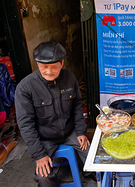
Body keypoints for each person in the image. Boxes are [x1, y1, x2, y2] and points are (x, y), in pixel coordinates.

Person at [15, 42, 96, 186]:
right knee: (44, 178)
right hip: (45, 139)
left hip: (70, 132)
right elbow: (26, 125)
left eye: (54, 66)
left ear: (62, 62)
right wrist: (39, 155)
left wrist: (80, 132)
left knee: (93, 158)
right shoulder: (25, 88)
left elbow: (77, 105)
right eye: (44, 66)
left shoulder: (69, 78)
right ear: (37, 64)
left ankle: (88, 171)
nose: (49, 71)